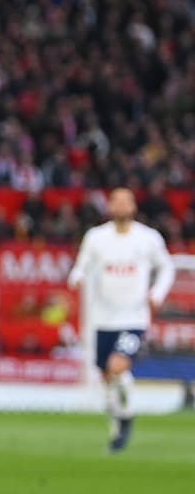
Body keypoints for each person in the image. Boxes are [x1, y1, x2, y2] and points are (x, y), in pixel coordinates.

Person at [68, 188, 174, 453]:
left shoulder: (148, 238)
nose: (121, 206)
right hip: (103, 318)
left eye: (126, 201)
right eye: (116, 201)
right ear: (109, 206)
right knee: (107, 377)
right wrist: (77, 277)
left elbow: (167, 267)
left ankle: (126, 419)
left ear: (134, 206)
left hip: (134, 317)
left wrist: (157, 293)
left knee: (118, 366)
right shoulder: (96, 237)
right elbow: (81, 265)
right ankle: (117, 426)